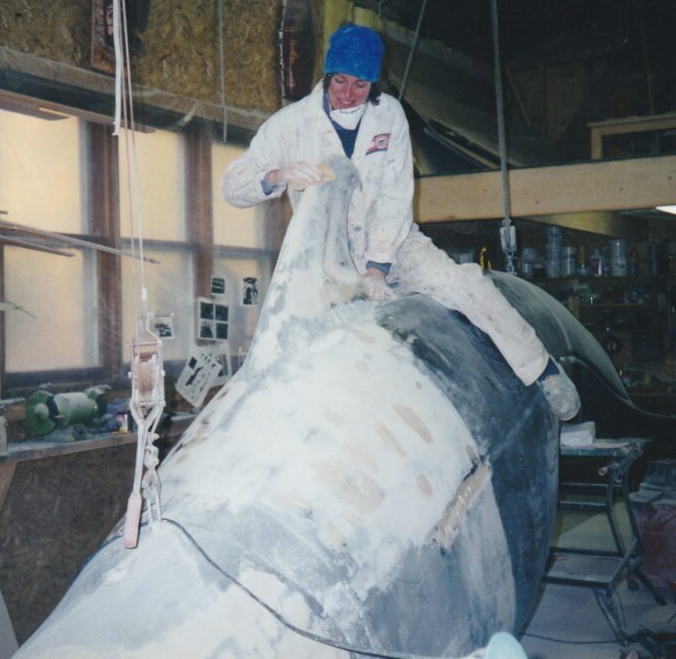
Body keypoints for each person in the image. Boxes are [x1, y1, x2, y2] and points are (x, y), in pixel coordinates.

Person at [221, 24, 580, 420]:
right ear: (327, 76)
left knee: (467, 285)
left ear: (374, 85)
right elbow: (232, 188)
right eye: (340, 81)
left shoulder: (388, 114)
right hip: (327, 257)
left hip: (396, 244)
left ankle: (542, 370)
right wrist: (277, 175)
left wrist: (378, 268)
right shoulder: (290, 124)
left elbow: (395, 195)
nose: (347, 93)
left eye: (360, 85)